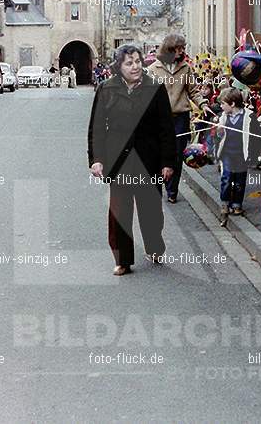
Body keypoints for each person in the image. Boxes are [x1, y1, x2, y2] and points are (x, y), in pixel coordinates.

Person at [88, 45, 176, 276]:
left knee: (151, 211)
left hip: (149, 159)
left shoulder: (155, 89)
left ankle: (154, 247)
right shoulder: (106, 89)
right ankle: (122, 260)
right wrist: (97, 159)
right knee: (119, 213)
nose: (135, 66)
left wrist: (168, 162)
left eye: (138, 61)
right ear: (119, 67)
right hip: (119, 161)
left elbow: (166, 129)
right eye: (129, 63)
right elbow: (96, 129)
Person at [147, 34, 211, 204]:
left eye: (183, 48)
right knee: (159, 154)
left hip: (180, 118)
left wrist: (203, 104)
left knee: (176, 156)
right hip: (159, 119)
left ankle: (172, 189)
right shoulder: (153, 69)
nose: (182, 52)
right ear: (169, 49)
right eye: (179, 49)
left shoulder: (185, 68)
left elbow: (194, 91)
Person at [214, 87, 261, 225]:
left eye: (223, 103)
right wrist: (219, 132)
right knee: (227, 178)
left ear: (232, 104)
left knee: (240, 180)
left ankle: (237, 203)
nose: (221, 106)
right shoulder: (223, 117)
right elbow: (218, 137)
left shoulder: (249, 116)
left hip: (242, 154)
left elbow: (255, 136)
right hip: (227, 153)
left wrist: (254, 154)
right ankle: (225, 203)